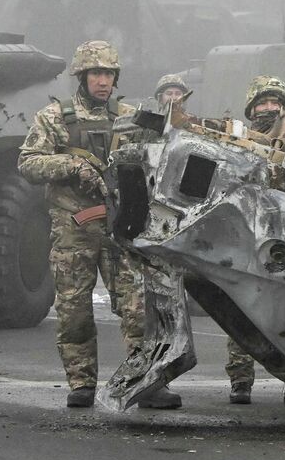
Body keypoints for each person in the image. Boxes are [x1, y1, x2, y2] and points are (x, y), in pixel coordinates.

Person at [17, 40, 181, 410]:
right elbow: (28, 163)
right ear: (82, 76)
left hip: (121, 228)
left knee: (139, 311)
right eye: (96, 74)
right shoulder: (55, 117)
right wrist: (72, 166)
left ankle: (146, 382)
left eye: (108, 74)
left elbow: (162, 156)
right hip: (74, 230)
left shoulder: (130, 117)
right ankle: (81, 383)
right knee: (74, 312)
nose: (103, 81)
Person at [227, 76, 285, 406]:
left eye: (275, 103)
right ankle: (240, 379)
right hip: (247, 233)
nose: (269, 108)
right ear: (251, 109)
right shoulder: (234, 138)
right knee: (241, 305)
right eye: (262, 103)